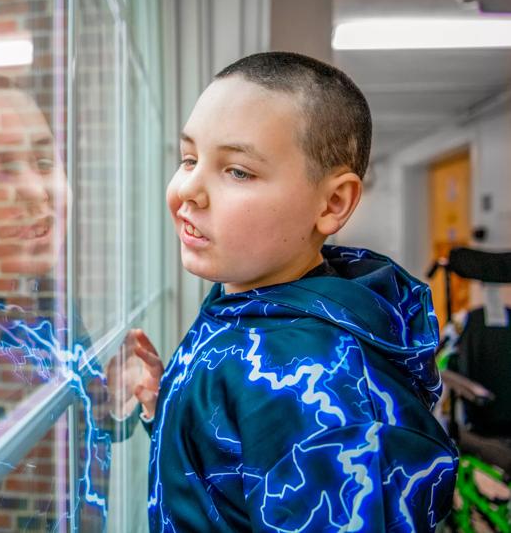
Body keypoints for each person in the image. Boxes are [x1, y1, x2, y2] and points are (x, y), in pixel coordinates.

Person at [124, 52, 459, 532]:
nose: (188, 191)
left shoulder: (321, 383)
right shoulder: (249, 300)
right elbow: (241, 461)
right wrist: (171, 402)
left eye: (237, 171)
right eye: (190, 159)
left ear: (332, 202)